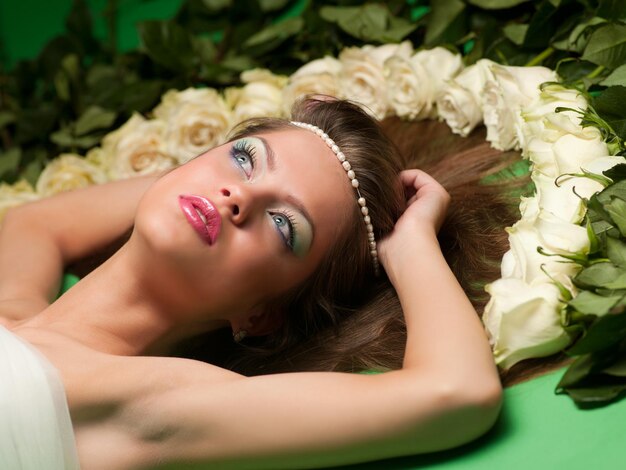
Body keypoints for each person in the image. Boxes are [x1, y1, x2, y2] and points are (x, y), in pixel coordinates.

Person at [0, 98, 504, 469]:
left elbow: (457, 393)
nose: (238, 197)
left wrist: (410, 243)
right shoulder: (13, 300)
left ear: (260, 315)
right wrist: (185, 179)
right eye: (244, 158)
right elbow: (33, 224)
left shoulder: (147, 403)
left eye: (285, 225)